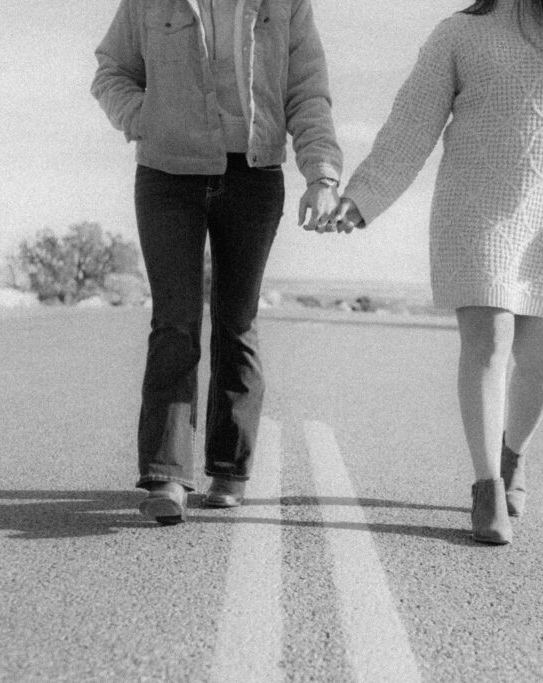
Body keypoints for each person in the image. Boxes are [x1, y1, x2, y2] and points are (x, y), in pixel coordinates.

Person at [332, 0, 543, 544]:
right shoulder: (458, 33)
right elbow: (411, 123)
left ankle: (514, 453)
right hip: (475, 213)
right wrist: (363, 197)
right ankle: (487, 487)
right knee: (487, 346)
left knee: (542, 364)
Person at [91, 0, 343, 525]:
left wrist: (321, 174)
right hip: (167, 174)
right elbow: (112, 70)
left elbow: (307, 89)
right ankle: (167, 472)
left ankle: (229, 466)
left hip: (253, 176)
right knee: (175, 320)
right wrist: (144, 119)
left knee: (237, 320)